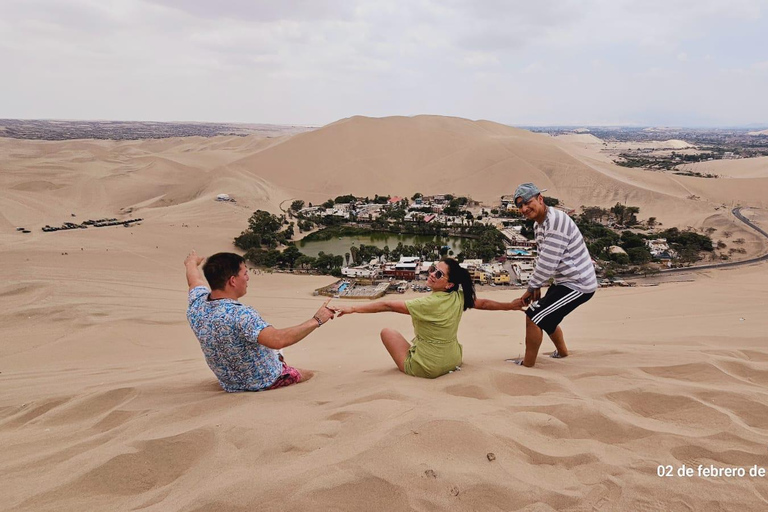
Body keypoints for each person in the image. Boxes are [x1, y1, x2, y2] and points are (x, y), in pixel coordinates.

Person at [331, 258, 523, 378]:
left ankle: (413, 365)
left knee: (387, 332)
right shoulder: (458, 297)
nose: (431, 274)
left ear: (448, 284)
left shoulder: (426, 304)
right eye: (433, 269)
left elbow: (387, 305)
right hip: (454, 360)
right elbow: (483, 303)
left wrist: (352, 308)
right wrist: (511, 306)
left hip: (428, 367)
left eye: (438, 274)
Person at [184, 250, 336, 392]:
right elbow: (278, 339)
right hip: (264, 381)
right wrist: (317, 320)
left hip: (229, 383)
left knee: (273, 350)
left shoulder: (197, 304)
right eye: (245, 273)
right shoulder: (241, 315)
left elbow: (194, 280)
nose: (248, 277)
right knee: (314, 376)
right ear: (232, 281)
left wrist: (191, 263)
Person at [512, 183, 597, 367]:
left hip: (578, 284)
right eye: (520, 206)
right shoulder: (539, 224)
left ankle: (527, 365)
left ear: (540, 199)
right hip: (564, 281)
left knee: (533, 315)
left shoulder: (556, 221)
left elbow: (547, 263)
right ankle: (563, 353)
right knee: (548, 319)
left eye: (528, 203)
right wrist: (537, 286)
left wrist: (531, 288)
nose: (524, 209)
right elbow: (545, 257)